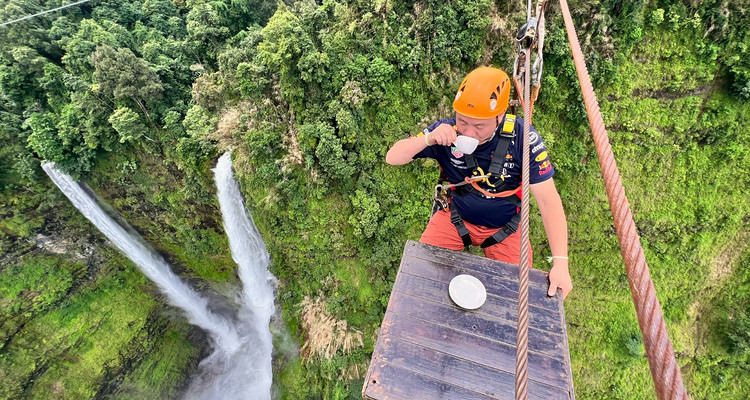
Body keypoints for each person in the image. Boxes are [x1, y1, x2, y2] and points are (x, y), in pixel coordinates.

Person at [385, 66, 573, 299]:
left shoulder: (523, 138)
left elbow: (548, 200)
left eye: (479, 126)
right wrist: (428, 139)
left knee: (515, 296)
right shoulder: (446, 131)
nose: (469, 132)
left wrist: (561, 264)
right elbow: (392, 157)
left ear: (500, 116)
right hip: (455, 217)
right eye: (463, 121)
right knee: (421, 276)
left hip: (506, 227)